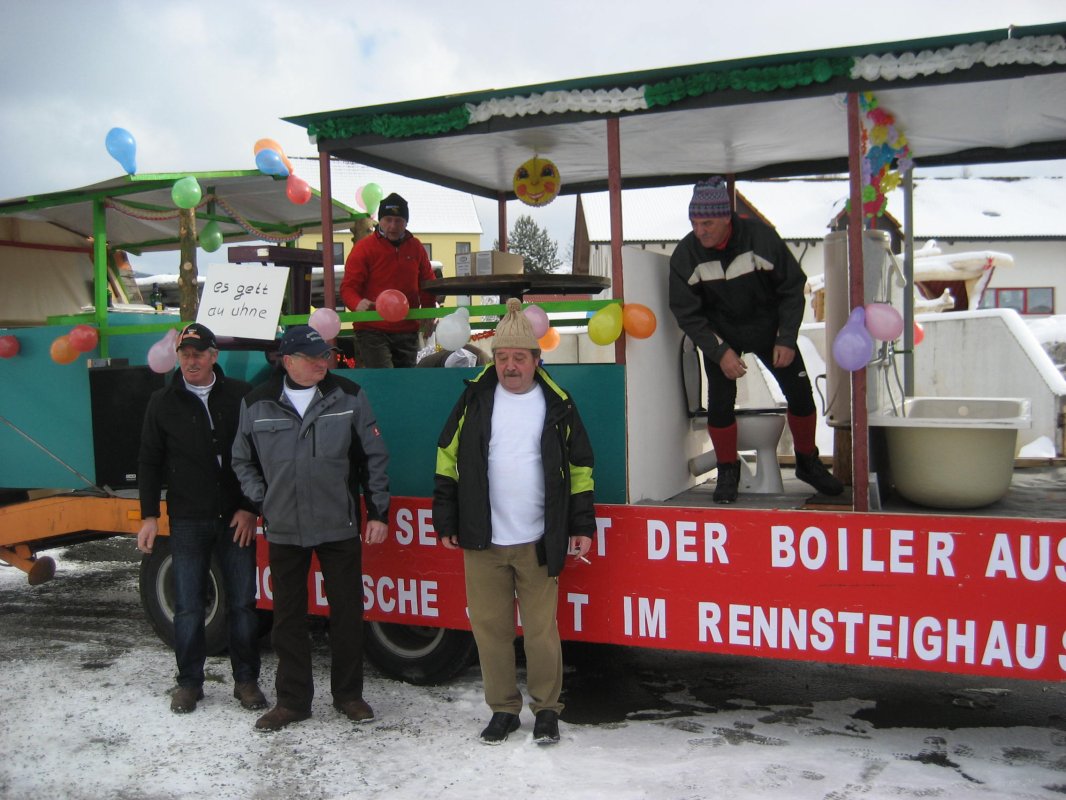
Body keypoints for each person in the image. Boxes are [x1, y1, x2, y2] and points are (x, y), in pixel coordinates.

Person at [432, 298, 596, 746]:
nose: (510, 366)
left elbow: (580, 467)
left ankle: (546, 710)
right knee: (491, 631)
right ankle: (503, 709)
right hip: (482, 540)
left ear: (536, 360)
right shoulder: (474, 398)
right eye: (502, 357)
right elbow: (446, 457)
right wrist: (446, 518)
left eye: (519, 357)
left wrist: (581, 526)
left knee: (541, 633)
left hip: (539, 539)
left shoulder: (558, 403)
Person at [231, 325, 390, 732]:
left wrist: (378, 512)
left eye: (326, 355)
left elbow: (373, 456)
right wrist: (263, 500)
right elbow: (242, 460)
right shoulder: (257, 402)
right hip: (284, 527)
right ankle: (292, 702)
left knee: (347, 614)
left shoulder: (349, 396)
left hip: (338, 525)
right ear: (288, 361)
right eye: (314, 357)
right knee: (287, 619)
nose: (324, 362)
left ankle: (349, 695)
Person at [668, 176, 844, 504]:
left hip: (769, 329)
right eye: (694, 223)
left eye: (707, 223)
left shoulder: (760, 238)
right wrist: (719, 351)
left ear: (726, 217)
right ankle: (727, 470)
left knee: (800, 393)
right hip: (721, 333)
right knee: (720, 402)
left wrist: (786, 338)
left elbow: (792, 287)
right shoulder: (685, 256)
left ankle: (808, 462)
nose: (699, 231)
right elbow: (686, 312)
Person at [137, 322, 266, 714]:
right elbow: (149, 461)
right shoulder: (162, 401)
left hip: (235, 518)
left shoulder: (240, 395)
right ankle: (189, 684)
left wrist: (251, 507)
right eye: (185, 355)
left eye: (198, 354)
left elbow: (259, 454)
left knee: (243, 603)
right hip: (188, 517)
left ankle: (246, 681)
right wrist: (148, 515)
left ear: (213, 356)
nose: (191, 362)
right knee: (189, 606)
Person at [340, 192, 437, 368]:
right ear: (380, 220)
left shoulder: (416, 247)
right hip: (372, 328)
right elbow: (348, 287)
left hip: (407, 327)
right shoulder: (364, 248)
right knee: (385, 377)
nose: (393, 226)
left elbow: (427, 282)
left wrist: (429, 312)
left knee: (404, 380)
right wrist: (356, 302)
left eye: (398, 220)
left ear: (406, 222)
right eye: (388, 220)